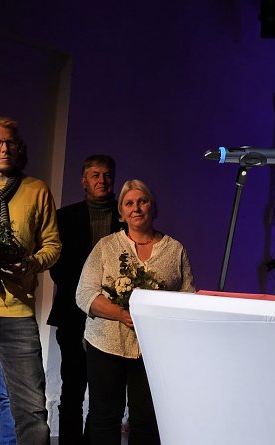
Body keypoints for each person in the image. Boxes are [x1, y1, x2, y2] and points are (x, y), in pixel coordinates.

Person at [76, 179, 195, 444]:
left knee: (146, 419)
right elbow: (84, 294)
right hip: (106, 343)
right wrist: (121, 314)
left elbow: (187, 298)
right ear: (121, 212)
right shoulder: (106, 247)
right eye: (129, 203)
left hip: (153, 347)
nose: (136, 208)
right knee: (105, 416)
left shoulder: (174, 250)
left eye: (142, 201)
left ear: (152, 207)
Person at [0, 116, 61, 444]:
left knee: (31, 411)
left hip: (18, 313)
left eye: (10, 143)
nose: (4, 149)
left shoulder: (36, 189)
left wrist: (30, 264)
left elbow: (53, 244)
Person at [48, 154, 123, 445]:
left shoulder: (125, 217)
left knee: (104, 393)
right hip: (72, 313)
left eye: (106, 175)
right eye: (95, 175)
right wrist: (88, 294)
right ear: (84, 181)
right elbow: (57, 266)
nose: (101, 180)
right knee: (73, 389)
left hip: (113, 317)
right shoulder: (64, 217)